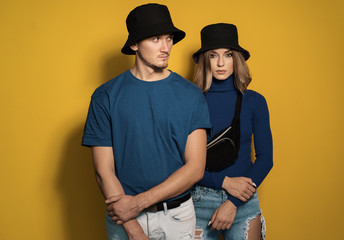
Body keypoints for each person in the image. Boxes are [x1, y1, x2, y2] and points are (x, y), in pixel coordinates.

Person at [82, 3, 211, 240]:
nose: (166, 47)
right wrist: (132, 227)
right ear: (134, 45)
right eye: (155, 39)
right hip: (124, 219)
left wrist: (138, 203)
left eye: (169, 38)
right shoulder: (105, 96)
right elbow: (104, 170)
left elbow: (195, 168)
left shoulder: (191, 95)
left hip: (177, 217)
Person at [191, 23, 273, 240]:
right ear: (204, 60)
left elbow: (266, 159)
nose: (220, 63)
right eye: (213, 55)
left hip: (243, 200)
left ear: (236, 59)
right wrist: (224, 182)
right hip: (199, 199)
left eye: (227, 55)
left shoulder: (254, 101)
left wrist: (233, 202)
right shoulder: (190, 101)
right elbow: (181, 160)